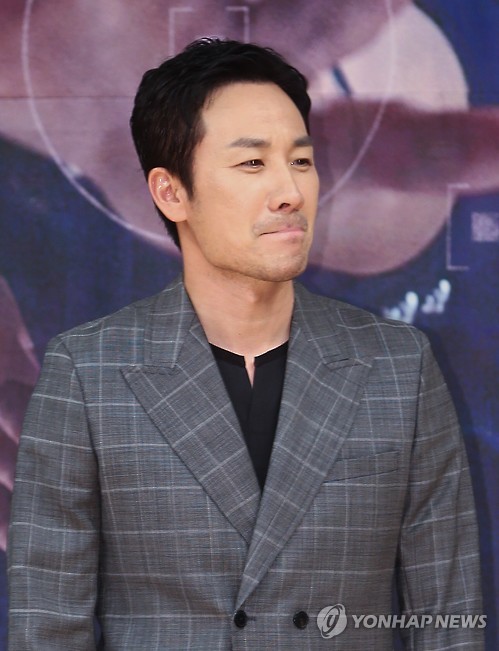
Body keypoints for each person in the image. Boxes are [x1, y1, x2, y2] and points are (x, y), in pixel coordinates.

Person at [8, 38, 483, 650]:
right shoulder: (87, 372)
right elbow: (47, 626)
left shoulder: (399, 367)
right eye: (253, 163)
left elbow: (448, 618)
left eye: (302, 161)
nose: (291, 192)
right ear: (171, 191)